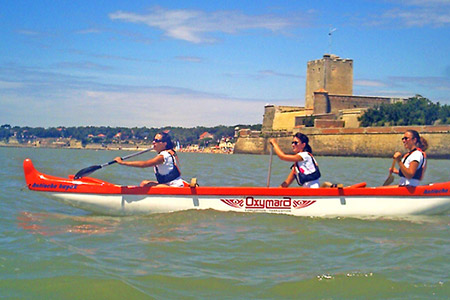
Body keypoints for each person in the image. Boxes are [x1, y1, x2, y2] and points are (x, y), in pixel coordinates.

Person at [114, 132, 185, 187]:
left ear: (164, 143)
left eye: (157, 140)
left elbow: (144, 165)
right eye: (154, 140)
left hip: (174, 187)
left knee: (148, 186)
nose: (154, 142)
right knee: (144, 183)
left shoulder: (164, 156)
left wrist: (122, 163)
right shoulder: (168, 152)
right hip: (168, 184)